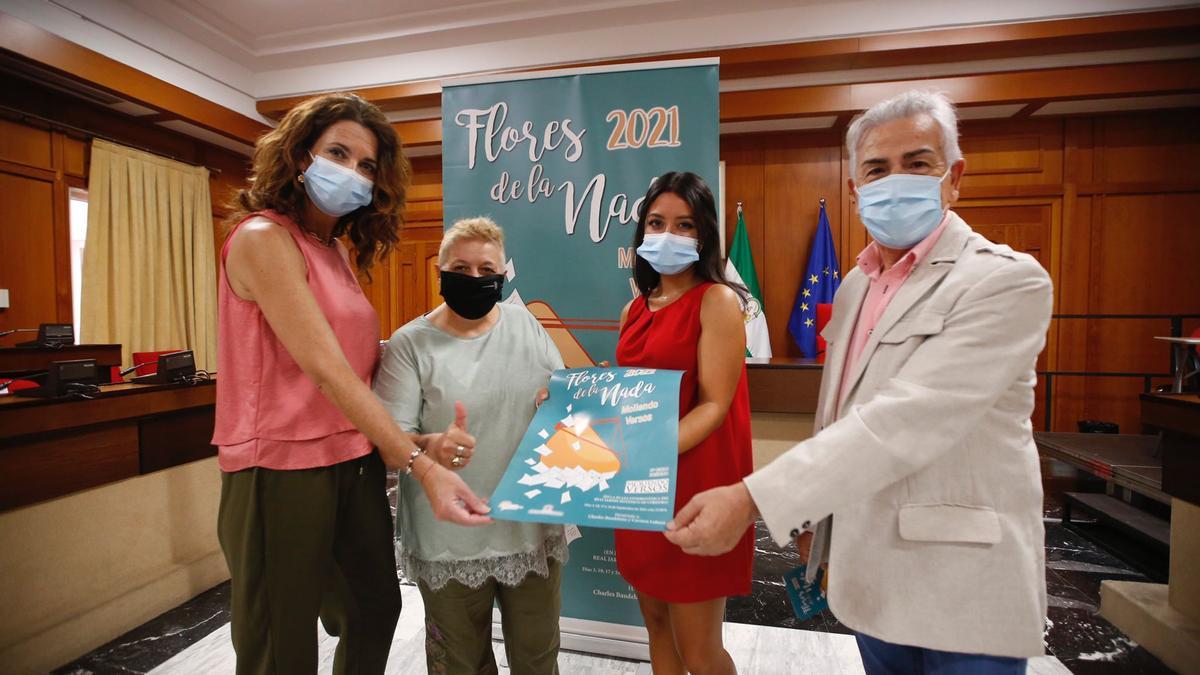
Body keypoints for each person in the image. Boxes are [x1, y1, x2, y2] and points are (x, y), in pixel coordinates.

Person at [663, 90, 1054, 674]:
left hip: (963, 582)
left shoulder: (1003, 281)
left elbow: (906, 418)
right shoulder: (853, 288)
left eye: (918, 163)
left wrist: (754, 499)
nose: (896, 180)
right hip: (871, 571)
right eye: (877, 168)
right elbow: (841, 416)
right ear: (855, 189)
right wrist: (815, 522)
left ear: (954, 178)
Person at [213, 93, 491, 675]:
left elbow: (364, 357)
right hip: (279, 467)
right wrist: (420, 464)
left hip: (353, 459)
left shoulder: (333, 248)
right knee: (278, 642)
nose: (354, 173)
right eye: (338, 153)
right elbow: (326, 368)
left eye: (367, 166)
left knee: (372, 609)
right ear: (298, 155)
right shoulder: (264, 237)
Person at [374, 217, 567, 675]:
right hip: (449, 538)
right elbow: (390, 442)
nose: (475, 278)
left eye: (487, 269)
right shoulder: (409, 344)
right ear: (439, 271)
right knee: (459, 663)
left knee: (538, 659)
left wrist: (555, 403)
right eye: (461, 267)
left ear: (503, 274)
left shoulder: (527, 325)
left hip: (529, 527)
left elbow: (563, 398)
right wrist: (430, 445)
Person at [614, 171, 754, 675]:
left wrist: (647, 450)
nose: (667, 235)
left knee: (700, 649)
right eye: (656, 223)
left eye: (683, 224)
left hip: (694, 488)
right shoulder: (636, 307)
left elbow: (715, 405)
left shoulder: (716, 301)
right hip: (639, 489)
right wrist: (568, 402)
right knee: (655, 626)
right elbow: (628, 392)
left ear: (704, 236)